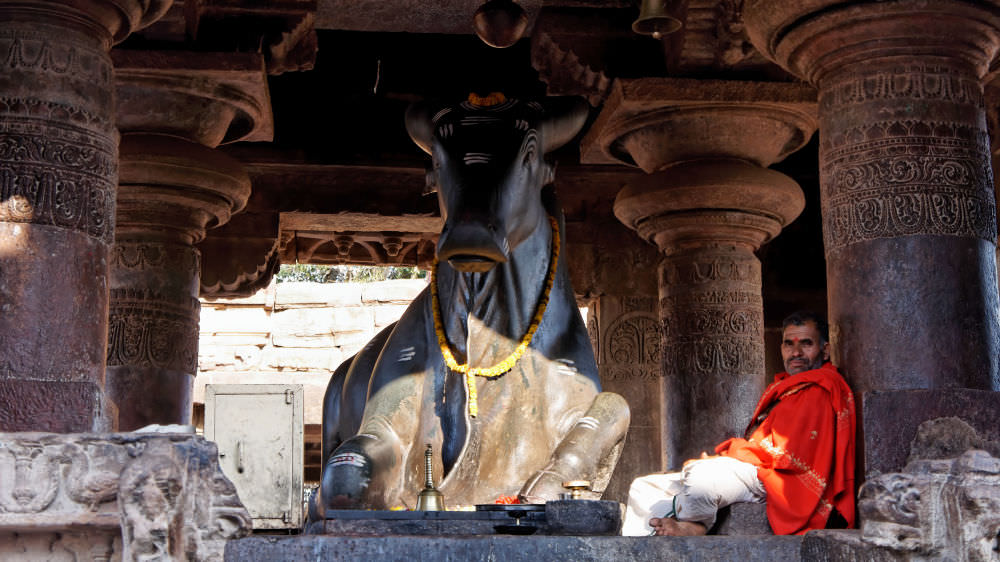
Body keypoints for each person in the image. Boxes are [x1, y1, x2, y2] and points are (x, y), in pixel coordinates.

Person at [621, 311, 856, 536]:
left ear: (825, 350)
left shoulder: (821, 388)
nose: (795, 352)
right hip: (757, 470)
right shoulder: (787, 388)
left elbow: (789, 456)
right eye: (788, 344)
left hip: (780, 481)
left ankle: (695, 525)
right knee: (644, 487)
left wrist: (733, 452)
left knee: (700, 476)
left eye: (806, 343)